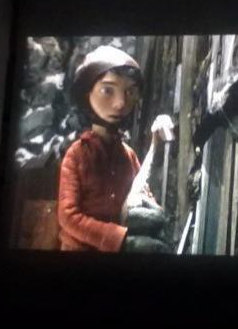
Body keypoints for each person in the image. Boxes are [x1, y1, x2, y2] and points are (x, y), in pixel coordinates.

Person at [57, 45, 170, 253]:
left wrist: (152, 210)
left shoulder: (128, 155)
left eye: (130, 92)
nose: (120, 103)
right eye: (107, 90)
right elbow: (68, 217)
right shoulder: (77, 155)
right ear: (87, 93)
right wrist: (121, 240)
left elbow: (142, 193)